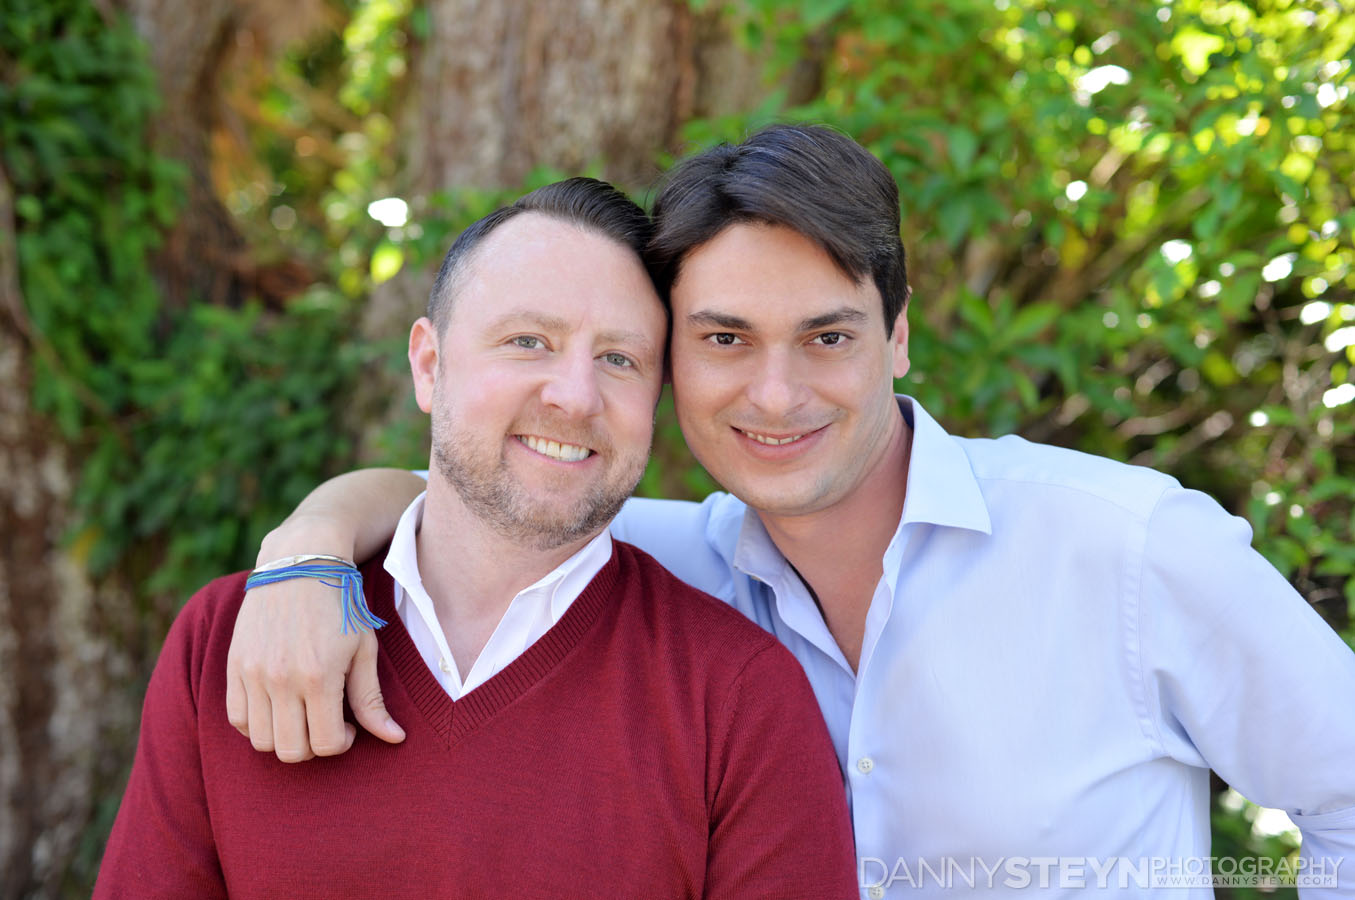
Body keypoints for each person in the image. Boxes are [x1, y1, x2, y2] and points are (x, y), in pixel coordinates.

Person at [228, 127, 1355, 896]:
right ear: (669, 364)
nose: (775, 394)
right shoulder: (671, 560)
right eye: (723, 340)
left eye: (827, 336)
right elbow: (461, 492)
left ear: (898, 335)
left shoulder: (1122, 545)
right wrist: (306, 553)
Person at [94, 178, 859, 899]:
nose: (574, 395)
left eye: (619, 359)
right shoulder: (235, 641)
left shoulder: (739, 698)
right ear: (429, 365)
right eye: (528, 341)